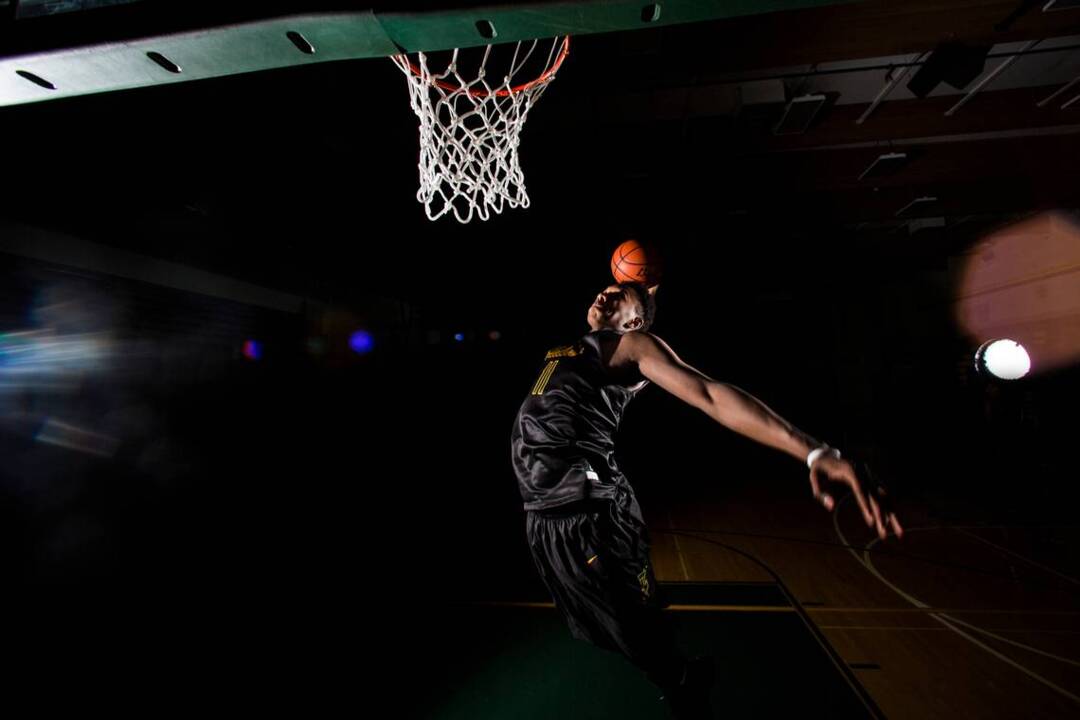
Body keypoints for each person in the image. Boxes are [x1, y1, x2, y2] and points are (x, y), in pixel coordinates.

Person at [510, 281, 904, 719]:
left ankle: (683, 682)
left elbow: (710, 395)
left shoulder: (632, 345)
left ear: (636, 321)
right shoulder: (578, 349)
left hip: (586, 510)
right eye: (607, 287)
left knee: (627, 628)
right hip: (542, 511)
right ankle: (658, 632)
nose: (606, 294)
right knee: (603, 626)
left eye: (621, 296)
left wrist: (813, 451)